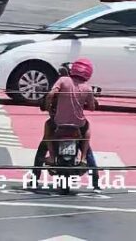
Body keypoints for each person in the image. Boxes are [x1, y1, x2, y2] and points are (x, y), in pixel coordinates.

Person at [38, 58, 102, 190]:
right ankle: (90, 172)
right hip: (78, 125)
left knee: (43, 143)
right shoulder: (87, 88)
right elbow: (92, 107)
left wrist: (48, 106)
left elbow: (50, 94)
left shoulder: (62, 81)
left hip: (58, 123)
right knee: (87, 142)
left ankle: (40, 169)